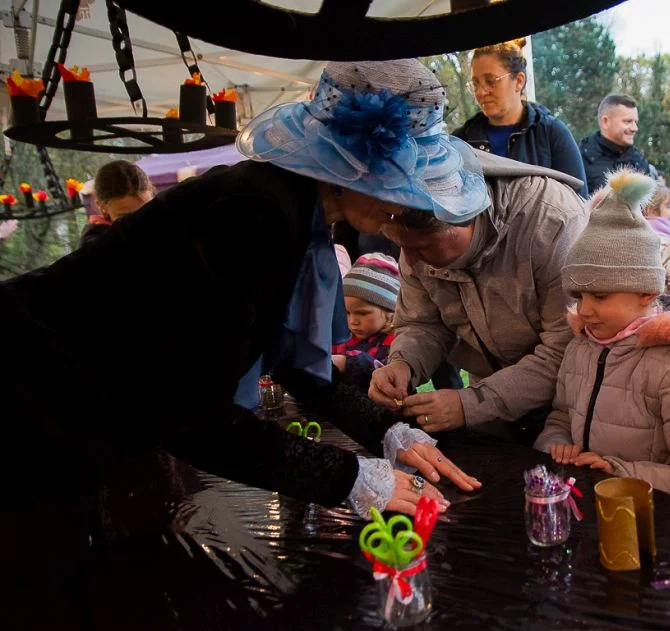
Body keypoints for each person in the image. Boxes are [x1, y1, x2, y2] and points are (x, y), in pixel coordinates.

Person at [1, 59, 484, 519]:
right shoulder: (256, 213)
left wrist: (388, 432)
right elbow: (193, 412)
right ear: (348, 166)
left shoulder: (293, 207)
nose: (400, 209)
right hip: (34, 398)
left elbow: (296, 360)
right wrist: (349, 478)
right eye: (397, 185)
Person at [533, 170, 670, 505]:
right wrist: (555, 440)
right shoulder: (581, 347)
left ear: (645, 291)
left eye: (600, 296)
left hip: (655, 528)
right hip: (590, 513)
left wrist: (620, 473)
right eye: (579, 295)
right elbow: (561, 415)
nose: (584, 310)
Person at [368, 152, 587, 440]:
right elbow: (422, 324)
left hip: (568, 408)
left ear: (463, 219)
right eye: (401, 246)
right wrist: (403, 362)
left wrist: (472, 404)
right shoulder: (416, 242)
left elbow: (566, 349)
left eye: (423, 247)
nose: (410, 261)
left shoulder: (553, 223)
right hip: (491, 399)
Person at [453, 39, 587, 197]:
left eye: (490, 81)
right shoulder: (461, 141)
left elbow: (579, 203)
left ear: (519, 81)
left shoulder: (552, 133)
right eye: (475, 83)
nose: (481, 92)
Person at [331, 253, 400, 391]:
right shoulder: (343, 337)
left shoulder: (397, 341)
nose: (352, 321)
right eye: (347, 312)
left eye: (362, 313)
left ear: (389, 310)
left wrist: (347, 363)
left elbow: (391, 374)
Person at [580, 94, 651, 195]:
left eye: (635, 122)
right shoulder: (581, 158)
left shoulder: (639, 161)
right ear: (605, 122)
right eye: (628, 121)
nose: (635, 128)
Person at [79, 160, 155, 247]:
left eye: (146, 212)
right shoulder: (96, 247)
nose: (139, 224)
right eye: (126, 218)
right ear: (103, 208)